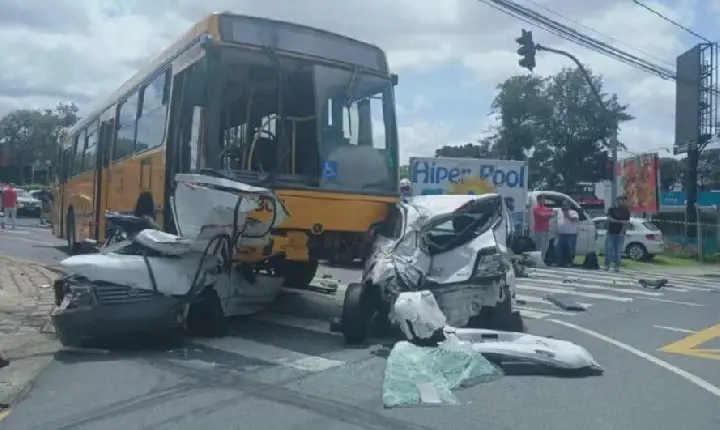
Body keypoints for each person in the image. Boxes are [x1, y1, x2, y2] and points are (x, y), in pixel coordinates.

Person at [605, 195, 630, 272]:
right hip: (611, 231)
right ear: (618, 200)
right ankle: (607, 264)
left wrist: (622, 232)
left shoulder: (626, 211)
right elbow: (610, 219)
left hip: (620, 233)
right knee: (609, 249)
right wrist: (620, 221)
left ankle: (617, 266)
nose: (623, 202)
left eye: (624, 200)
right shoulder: (611, 209)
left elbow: (626, 223)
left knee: (618, 250)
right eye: (622, 200)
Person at [556, 200, 579, 267]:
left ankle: (569, 262)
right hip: (561, 233)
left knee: (569, 249)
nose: (563, 206)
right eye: (562, 205)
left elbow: (575, 219)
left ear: (569, 206)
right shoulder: (559, 212)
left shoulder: (573, 212)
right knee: (560, 248)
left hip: (571, 234)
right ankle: (560, 262)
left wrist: (567, 215)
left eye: (565, 205)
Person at [532, 196, 553, 262]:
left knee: (545, 246)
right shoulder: (536, 208)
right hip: (539, 229)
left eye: (544, 199)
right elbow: (541, 215)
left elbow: (552, 214)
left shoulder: (546, 208)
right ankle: (537, 260)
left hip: (546, 229)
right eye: (541, 199)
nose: (543, 201)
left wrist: (547, 214)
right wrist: (548, 214)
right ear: (538, 200)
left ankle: (542, 260)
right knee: (539, 246)